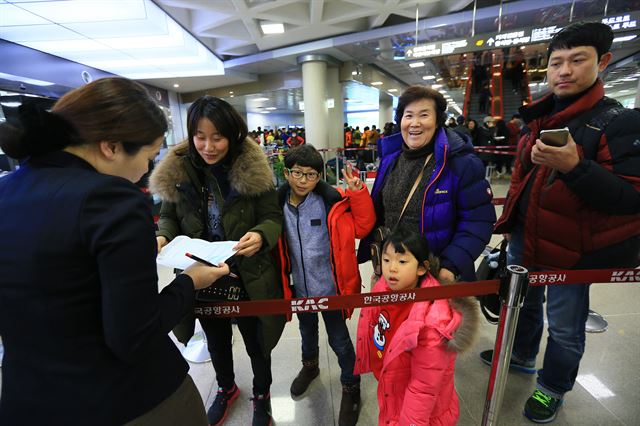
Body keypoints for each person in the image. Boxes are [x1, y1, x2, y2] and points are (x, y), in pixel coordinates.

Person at [0, 77, 230, 425]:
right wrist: (189, 282)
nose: (145, 171)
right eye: (150, 155)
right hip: (124, 398)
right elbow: (133, 336)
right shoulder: (109, 200)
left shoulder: (7, 190)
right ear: (111, 146)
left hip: (28, 398)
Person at [481, 22, 640, 423]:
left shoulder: (618, 122)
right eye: (556, 63)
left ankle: (552, 388)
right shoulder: (537, 118)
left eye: (577, 59)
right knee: (523, 307)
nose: (564, 71)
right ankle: (519, 356)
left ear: (602, 62)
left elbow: (631, 198)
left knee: (566, 326)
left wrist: (575, 167)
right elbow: (522, 179)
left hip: (574, 252)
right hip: (526, 238)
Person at [150, 96, 286, 426]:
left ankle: (262, 395)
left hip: (248, 273)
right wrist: (163, 236)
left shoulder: (254, 169)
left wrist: (261, 234)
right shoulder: (180, 170)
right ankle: (226, 388)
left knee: (257, 342)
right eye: (200, 136)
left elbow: (272, 217)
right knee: (216, 340)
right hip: (202, 274)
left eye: (217, 137)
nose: (208, 146)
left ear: (233, 135)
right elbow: (168, 215)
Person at [277, 145, 375, 426]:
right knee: (307, 334)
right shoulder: (277, 205)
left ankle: (350, 384)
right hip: (300, 291)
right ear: (287, 173)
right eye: (297, 173)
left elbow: (363, 226)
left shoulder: (332, 203)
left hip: (330, 290)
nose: (303, 180)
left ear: (320, 176)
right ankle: (310, 367)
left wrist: (357, 193)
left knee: (341, 342)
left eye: (311, 175)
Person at [357, 85, 495, 284]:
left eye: (423, 115)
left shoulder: (460, 163)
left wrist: (450, 266)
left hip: (435, 274)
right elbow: (379, 215)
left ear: (438, 121)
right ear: (400, 120)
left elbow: (477, 221)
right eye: (408, 115)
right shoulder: (390, 160)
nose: (414, 123)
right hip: (392, 272)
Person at [354, 227, 478, 425]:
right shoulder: (384, 288)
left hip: (421, 411)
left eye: (402, 262)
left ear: (422, 268)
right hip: (394, 384)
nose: (392, 268)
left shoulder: (433, 321)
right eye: (386, 260)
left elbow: (424, 387)